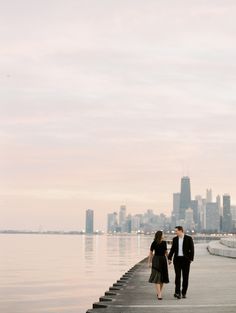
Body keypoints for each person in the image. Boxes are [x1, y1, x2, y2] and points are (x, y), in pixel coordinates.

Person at [168, 226, 194, 299]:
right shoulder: (175, 239)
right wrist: (169, 258)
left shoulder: (189, 238)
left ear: (181, 231)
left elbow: (192, 249)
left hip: (186, 260)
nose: (175, 232)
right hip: (177, 260)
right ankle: (177, 292)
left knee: (185, 277)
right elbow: (172, 249)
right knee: (178, 277)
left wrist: (191, 259)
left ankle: (184, 292)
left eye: (176, 231)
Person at [148, 230, 169, 300]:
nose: (163, 235)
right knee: (157, 278)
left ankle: (159, 292)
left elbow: (166, 252)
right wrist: (149, 262)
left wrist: (169, 259)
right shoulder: (154, 243)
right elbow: (150, 253)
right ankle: (159, 294)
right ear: (160, 235)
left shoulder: (164, 242)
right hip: (156, 260)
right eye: (163, 234)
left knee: (162, 278)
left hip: (162, 260)